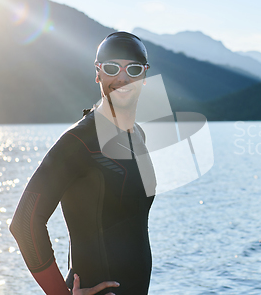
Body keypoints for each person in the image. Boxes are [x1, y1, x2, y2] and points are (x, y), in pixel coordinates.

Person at [10, 32, 157, 295]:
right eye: (112, 68)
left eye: (132, 69)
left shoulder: (137, 135)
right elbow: (24, 222)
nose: (122, 78)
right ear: (98, 73)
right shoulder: (78, 142)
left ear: (144, 76)